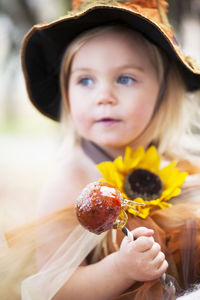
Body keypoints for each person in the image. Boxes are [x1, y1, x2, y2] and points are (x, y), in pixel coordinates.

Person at [1, 0, 200, 299]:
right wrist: (121, 269)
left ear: (162, 91)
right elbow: (54, 289)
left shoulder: (180, 164)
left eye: (125, 79)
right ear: (66, 93)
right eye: (85, 80)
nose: (104, 96)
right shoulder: (70, 180)